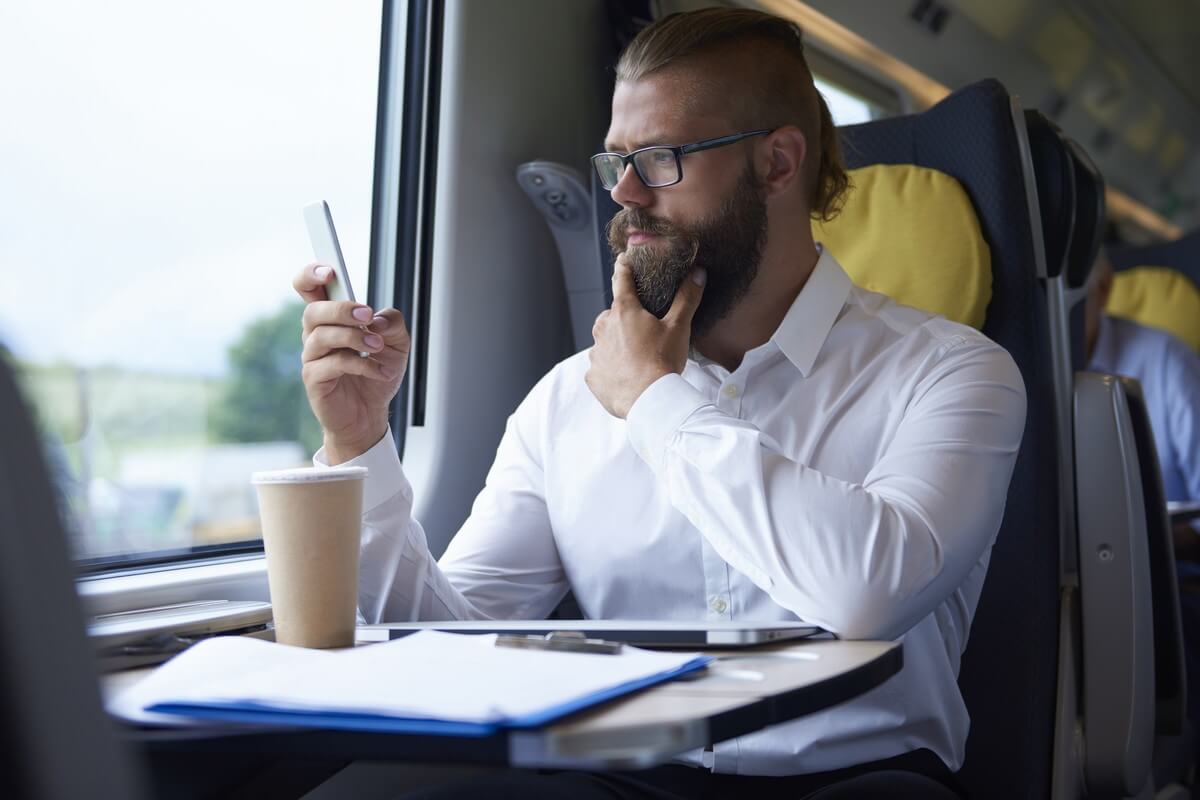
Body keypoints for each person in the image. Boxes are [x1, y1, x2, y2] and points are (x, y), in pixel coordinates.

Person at [292, 8, 1026, 798]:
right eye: (616, 164)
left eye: (662, 158)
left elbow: (863, 595)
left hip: (859, 777)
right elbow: (454, 642)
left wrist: (654, 400)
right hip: (626, 777)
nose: (627, 196)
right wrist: (360, 446)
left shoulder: (953, 371)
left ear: (778, 162)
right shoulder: (564, 401)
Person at [1083, 241, 1200, 552]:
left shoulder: (1167, 363)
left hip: (1171, 575)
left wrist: (1135, 546)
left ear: (1104, 288)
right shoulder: (1008, 373)